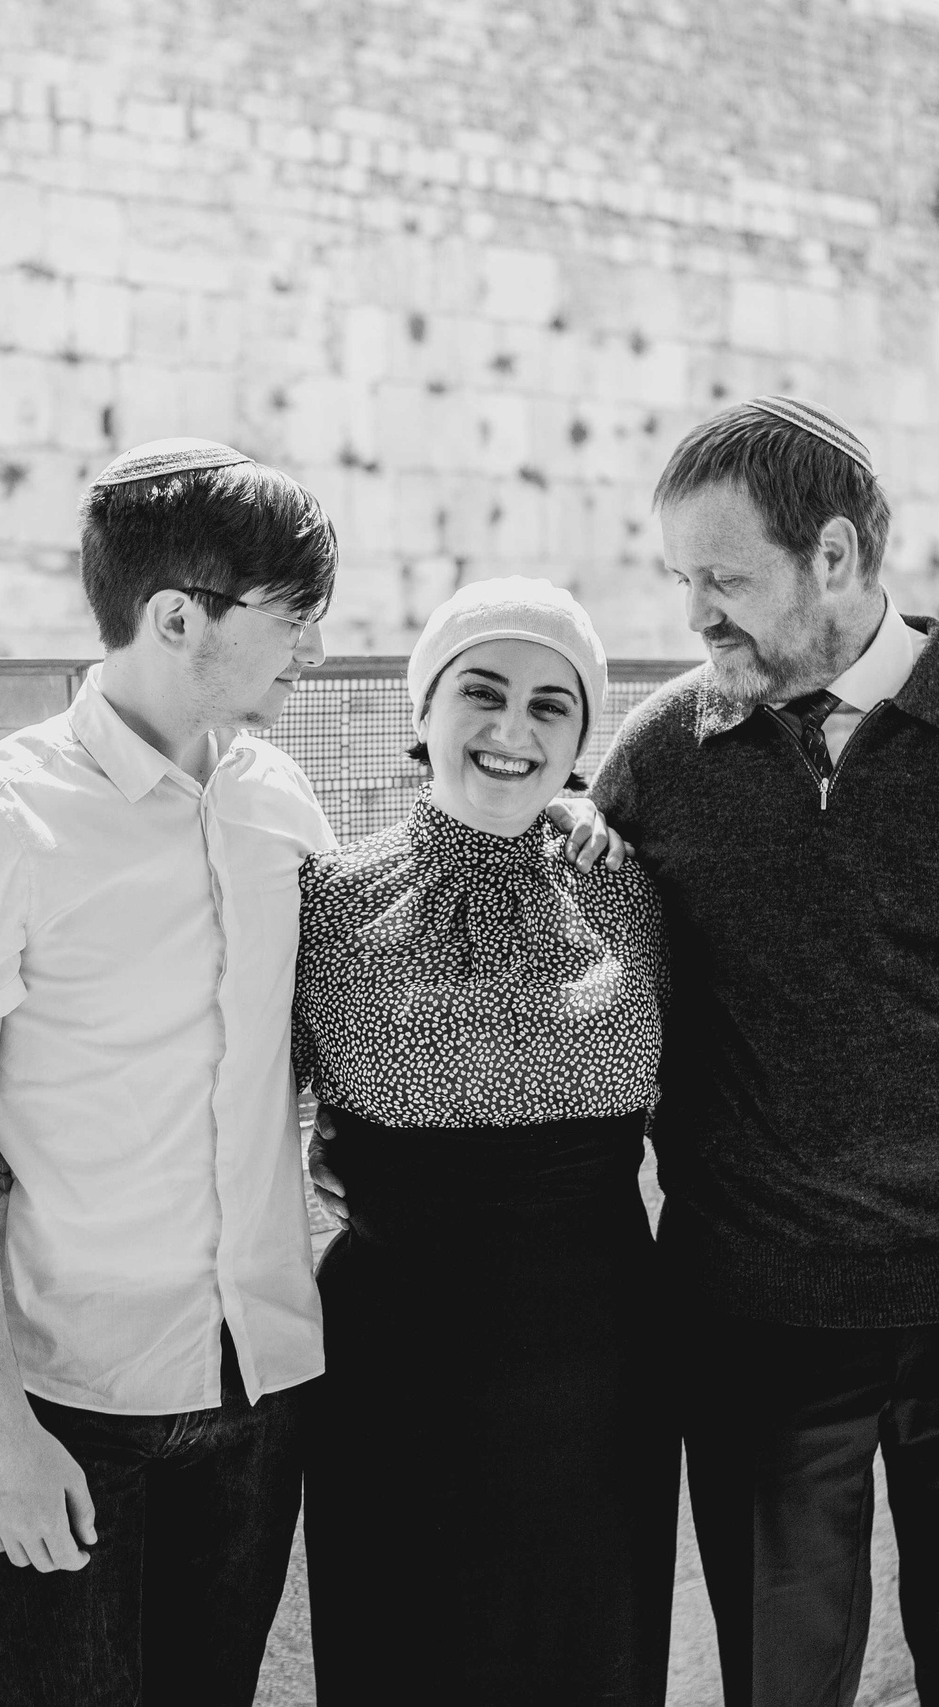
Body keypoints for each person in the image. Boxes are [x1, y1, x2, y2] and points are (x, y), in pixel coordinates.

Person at [586, 397, 939, 1707]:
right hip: (752, 1326)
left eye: (724, 578)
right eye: (682, 579)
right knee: (779, 1686)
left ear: (836, 557)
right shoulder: (659, 756)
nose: (696, 615)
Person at [0, 439, 343, 1707]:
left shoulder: (282, 804)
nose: (311, 642)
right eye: (290, 613)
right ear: (176, 616)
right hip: (71, 1408)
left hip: (260, 1392)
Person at [297, 577, 676, 1706]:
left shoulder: (633, 894)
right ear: (423, 711)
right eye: (482, 692)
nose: (513, 731)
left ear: (579, 740)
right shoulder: (322, 902)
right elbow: (228, 1102)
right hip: (391, 1370)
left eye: (551, 707)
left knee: (589, 1658)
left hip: (598, 1369)